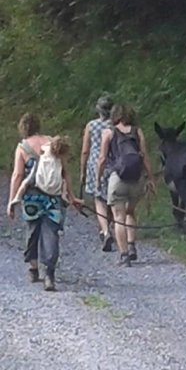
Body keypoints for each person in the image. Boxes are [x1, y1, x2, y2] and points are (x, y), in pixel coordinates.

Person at [7, 113, 82, 291]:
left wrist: (12, 201)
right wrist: (71, 197)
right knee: (52, 233)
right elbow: (65, 172)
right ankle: (50, 274)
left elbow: (17, 175)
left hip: (32, 197)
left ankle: (34, 269)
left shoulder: (23, 147)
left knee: (33, 230)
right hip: (53, 197)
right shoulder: (54, 143)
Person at [97, 104, 156, 267]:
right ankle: (132, 246)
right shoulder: (137, 132)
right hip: (137, 179)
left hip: (118, 179)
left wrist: (98, 179)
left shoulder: (108, 133)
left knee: (118, 217)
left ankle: (124, 256)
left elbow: (102, 159)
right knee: (130, 212)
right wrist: (151, 178)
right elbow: (145, 157)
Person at [80, 95, 114, 251]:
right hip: (113, 163)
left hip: (95, 164)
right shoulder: (115, 126)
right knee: (112, 199)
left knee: (98, 198)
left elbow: (85, 150)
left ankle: (105, 231)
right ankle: (110, 227)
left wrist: (82, 170)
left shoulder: (91, 125)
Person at [8, 135, 71, 208]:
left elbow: (18, 174)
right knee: (63, 182)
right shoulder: (58, 158)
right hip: (54, 188)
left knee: (26, 182)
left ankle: (17, 197)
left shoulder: (46, 147)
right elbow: (65, 172)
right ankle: (63, 195)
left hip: (40, 179)